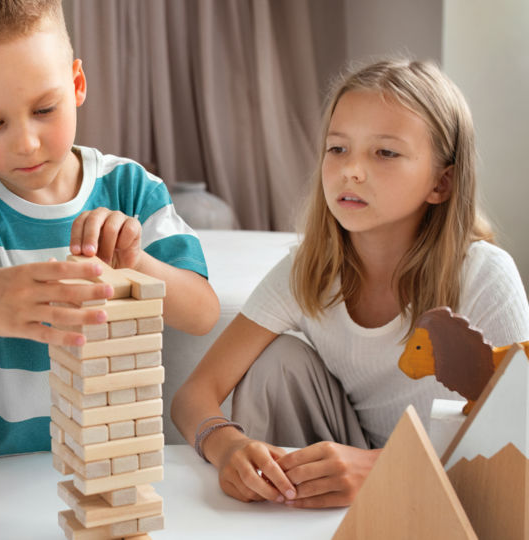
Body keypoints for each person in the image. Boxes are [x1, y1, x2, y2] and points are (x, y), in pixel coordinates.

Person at [170, 58, 529, 509]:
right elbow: (193, 395)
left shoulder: (484, 276)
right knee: (279, 360)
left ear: (442, 182)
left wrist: (385, 468)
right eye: (337, 149)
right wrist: (228, 447)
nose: (351, 171)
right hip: (343, 470)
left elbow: (518, 441)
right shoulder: (307, 273)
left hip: (451, 490)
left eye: (385, 153)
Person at [0, 0, 220, 460]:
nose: (26, 142)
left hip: (114, 457)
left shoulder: (132, 189)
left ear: (76, 84)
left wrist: (134, 261)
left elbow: (201, 315)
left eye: (44, 109)